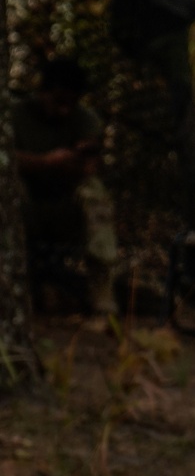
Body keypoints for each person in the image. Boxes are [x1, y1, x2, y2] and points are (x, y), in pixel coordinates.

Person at [12, 55, 118, 315]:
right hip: (22, 208)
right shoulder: (14, 115)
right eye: (58, 102)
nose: (64, 110)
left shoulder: (84, 119)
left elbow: (90, 167)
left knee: (94, 193)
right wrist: (45, 162)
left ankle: (102, 297)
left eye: (70, 103)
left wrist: (79, 158)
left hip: (65, 208)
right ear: (43, 93)